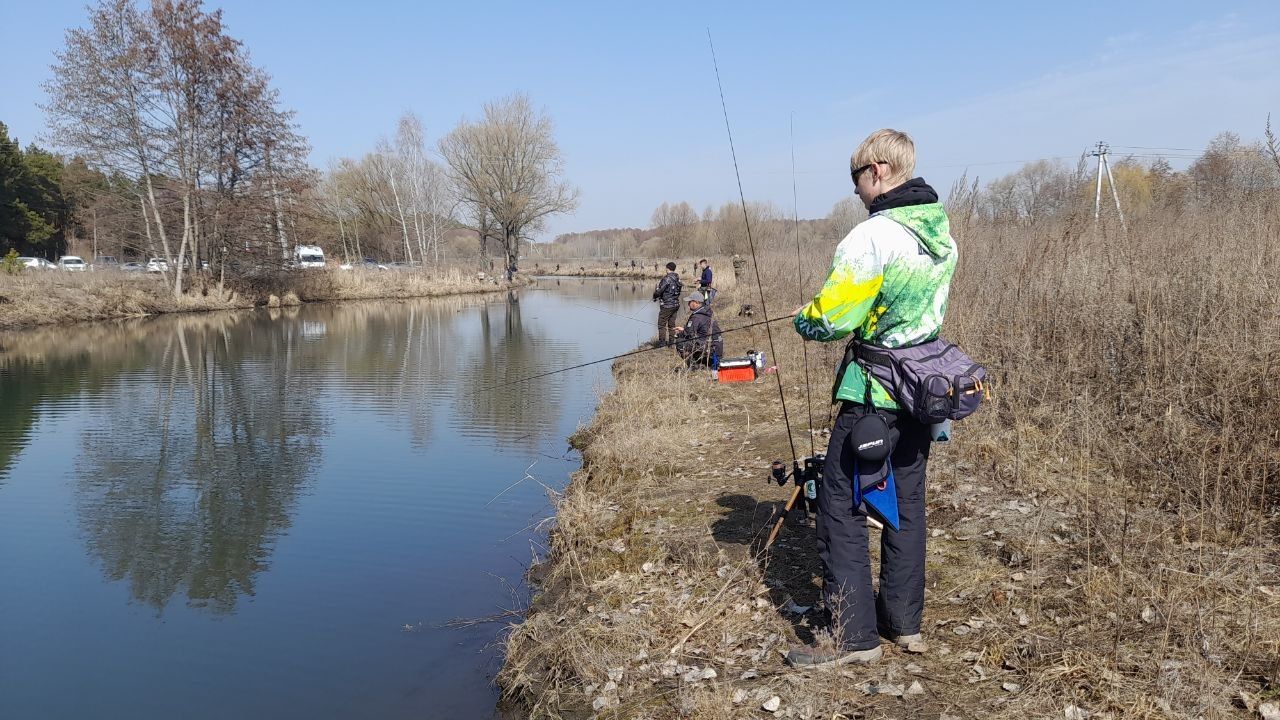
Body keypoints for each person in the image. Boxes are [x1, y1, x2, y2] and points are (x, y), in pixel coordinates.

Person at [785, 129, 958, 667]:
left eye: (857, 178)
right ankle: (903, 625)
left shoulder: (873, 236)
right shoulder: (942, 236)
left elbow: (835, 317)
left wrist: (804, 319)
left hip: (874, 395)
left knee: (840, 506)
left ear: (879, 171)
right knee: (906, 503)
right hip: (924, 394)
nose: (857, 190)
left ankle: (852, 637)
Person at [674, 291, 722, 367]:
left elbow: (688, 334)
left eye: (690, 301)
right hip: (717, 347)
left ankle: (693, 366)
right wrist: (684, 330)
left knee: (680, 342)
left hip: (710, 348)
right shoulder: (706, 312)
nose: (688, 304)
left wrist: (678, 334)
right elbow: (696, 331)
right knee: (693, 341)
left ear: (696, 302)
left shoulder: (696, 317)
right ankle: (703, 362)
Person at [651, 261, 682, 346]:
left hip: (667, 305)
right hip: (676, 304)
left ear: (667, 268)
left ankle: (662, 343)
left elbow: (659, 291)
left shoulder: (666, 279)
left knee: (661, 324)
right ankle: (671, 343)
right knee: (672, 324)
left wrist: (655, 295)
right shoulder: (678, 278)